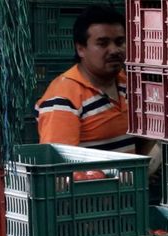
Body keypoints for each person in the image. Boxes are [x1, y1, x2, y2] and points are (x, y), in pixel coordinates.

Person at [34, 4, 135, 153]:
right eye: (103, 43)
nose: (114, 50)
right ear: (80, 48)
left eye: (119, 42)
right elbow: (59, 168)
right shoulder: (63, 99)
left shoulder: (127, 82)